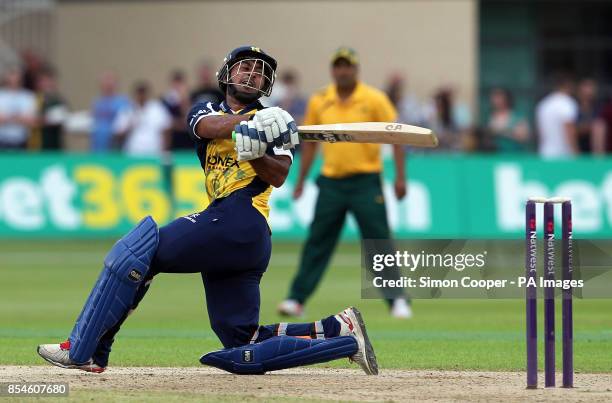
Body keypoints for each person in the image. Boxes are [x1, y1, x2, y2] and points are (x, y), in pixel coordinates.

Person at [36, 46, 378, 376]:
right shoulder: (208, 109)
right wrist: (247, 126)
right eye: (245, 66)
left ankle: (86, 350)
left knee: (138, 252)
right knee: (243, 341)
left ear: (265, 85)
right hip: (232, 230)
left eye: (260, 72)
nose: (252, 74)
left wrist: (256, 150)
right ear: (227, 73)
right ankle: (341, 335)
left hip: (241, 220)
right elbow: (206, 128)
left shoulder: (275, 123)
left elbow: (278, 175)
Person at [277, 47, 412, 319]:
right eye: (338, 66)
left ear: (356, 69)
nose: (342, 71)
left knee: (378, 242)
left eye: (347, 66)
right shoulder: (320, 100)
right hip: (331, 183)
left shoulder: (373, 98)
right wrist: (301, 180)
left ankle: (397, 299)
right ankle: (296, 299)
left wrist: (400, 177)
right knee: (318, 241)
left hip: (366, 181)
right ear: (332, 70)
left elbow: (396, 136)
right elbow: (311, 144)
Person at [114, 81, 172, 156]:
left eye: (143, 93)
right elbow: (118, 134)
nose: (141, 96)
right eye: (139, 93)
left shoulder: (157, 108)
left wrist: (165, 151)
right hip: (132, 153)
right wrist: (129, 126)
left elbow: (166, 130)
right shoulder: (127, 110)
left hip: (154, 153)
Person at [536, 74, 578, 158]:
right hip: (564, 155)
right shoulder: (567, 103)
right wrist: (575, 152)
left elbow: (540, 133)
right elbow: (569, 129)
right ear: (569, 85)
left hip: (545, 153)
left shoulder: (543, 104)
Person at [90, 72, 131, 152]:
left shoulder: (122, 102)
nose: (108, 84)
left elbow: (126, 123)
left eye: (110, 81)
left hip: (115, 144)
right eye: (105, 82)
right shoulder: (97, 102)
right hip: (98, 144)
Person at [32, 67, 69, 150]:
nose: (47, 84)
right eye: (44, 81)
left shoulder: (58, 100)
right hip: (37, 143)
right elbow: (31, 119)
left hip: (55, 142)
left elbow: (63, 118)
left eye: (49, 81)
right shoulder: (33, 99)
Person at [0, 67, 36, 149]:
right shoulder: (1, 96)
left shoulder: (28, 96)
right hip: (2, 140)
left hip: (22, 141)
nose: (14, 80)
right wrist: (19, 118)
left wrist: (8, 118)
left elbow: (31, 121)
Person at [485, 87, 530, 152]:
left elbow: (523, 136)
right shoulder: (490, 116)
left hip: (515, 154)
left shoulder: (517, 116)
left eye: (499, 97)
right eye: (494, 97)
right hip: (496, 155)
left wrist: (501, 131)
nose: (496, 100)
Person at [161, 70, 193, 150]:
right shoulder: (165, 101)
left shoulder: (190, 99)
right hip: (174, 142)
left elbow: (189, 119)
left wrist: (184, 100)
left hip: (189, 141)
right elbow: (167, 123)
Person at [575, 78, 598, 154]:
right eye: (585, 88)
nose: (588, 91)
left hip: (593, 149)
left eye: (591, 88)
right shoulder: (572, 108)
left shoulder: (598, 109)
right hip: (576, 149)